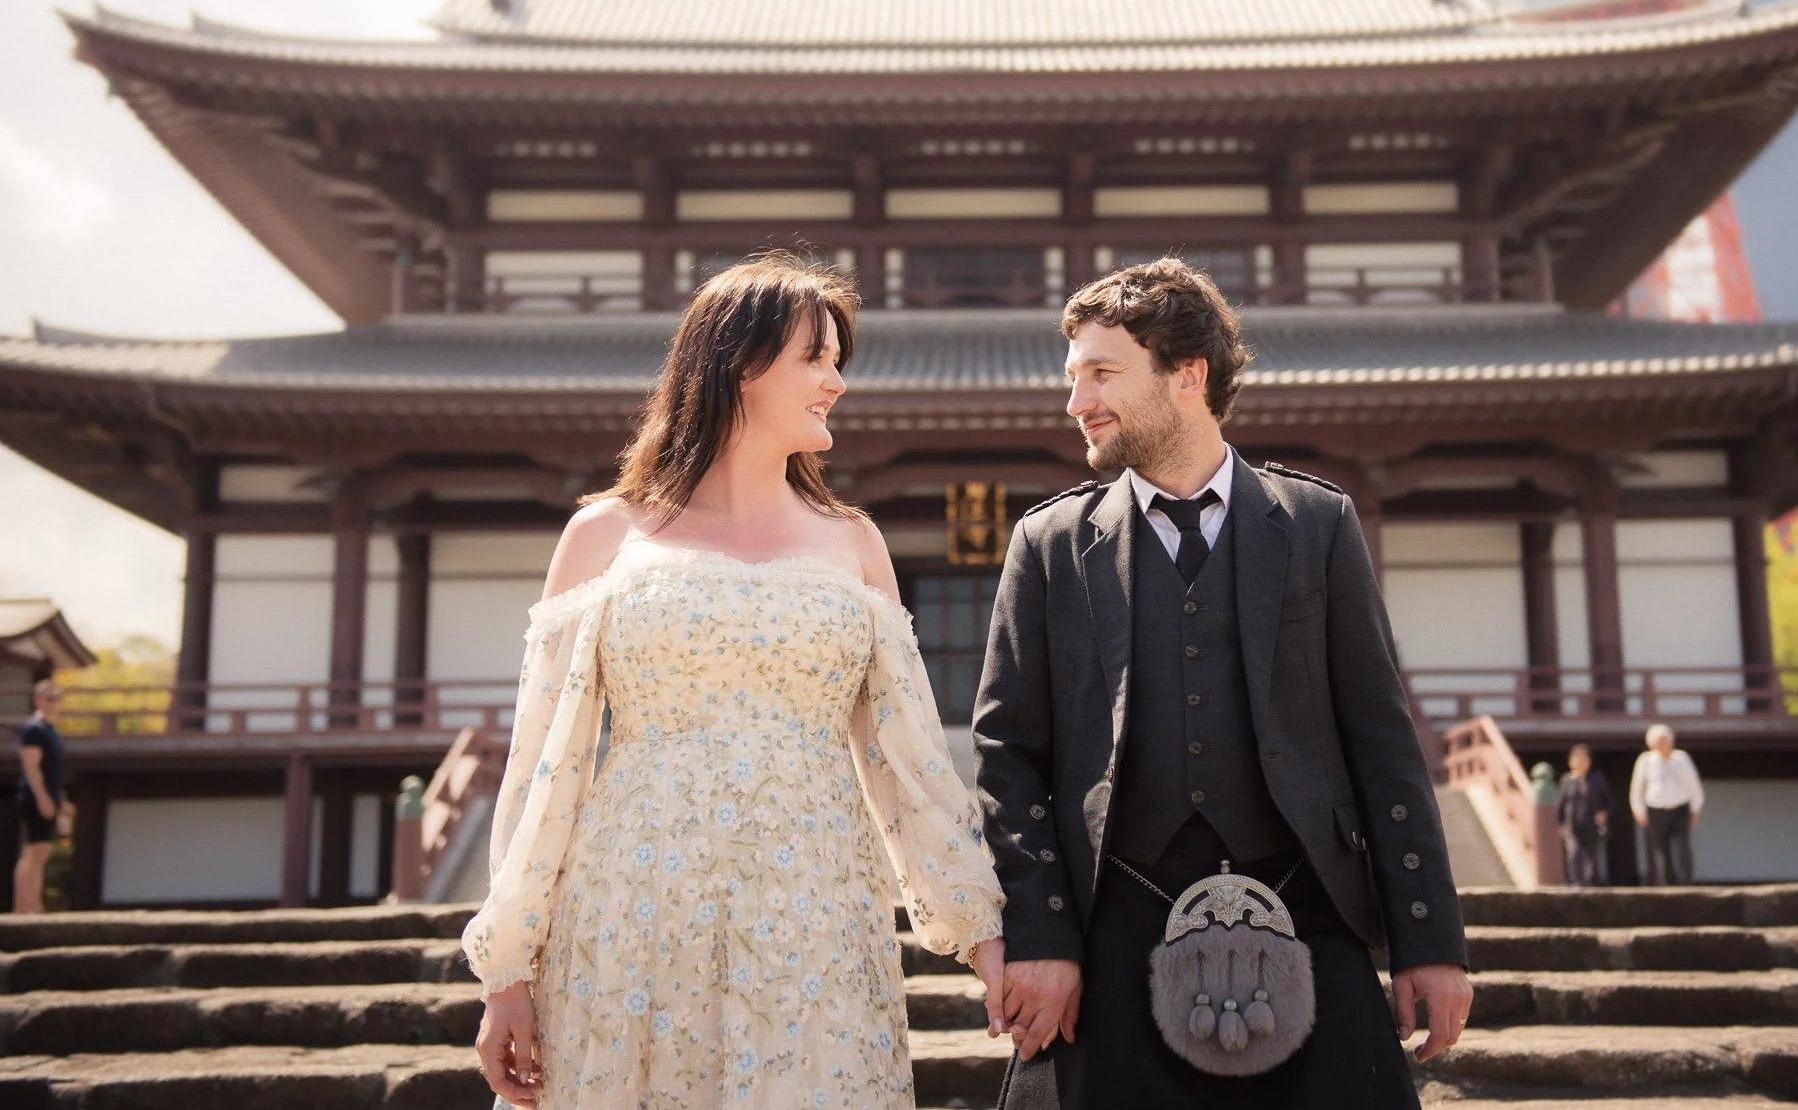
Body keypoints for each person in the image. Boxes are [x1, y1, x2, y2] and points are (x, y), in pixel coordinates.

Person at [462, 255, 1007, 1108]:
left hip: (816, 906)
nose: (835, 381)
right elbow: (545, 766)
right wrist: (506, 972)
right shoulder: (606, 534)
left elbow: (911, 766)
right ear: (741, 364)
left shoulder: (853, 542)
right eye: (815, 358)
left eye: (839, 361)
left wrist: (985, 934)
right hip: (631, 908)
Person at [974, 259, 1472, 1110]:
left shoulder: (1317, 523)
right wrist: (1042, 934)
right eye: (1073, 376)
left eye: (1102, 372)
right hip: (1110, 922)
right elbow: (1008, 755)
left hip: (1307, 908)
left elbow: (1381, 737)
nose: (1076, 401)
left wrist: (1429, 936)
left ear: (1187, 375)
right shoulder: (1050, 544)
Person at [13, 678, 72, 915]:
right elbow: (31, 766)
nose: (54, 703)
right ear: (37, 700)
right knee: (32, 851)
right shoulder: (33, 729)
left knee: (43, 851)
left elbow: (55, 771)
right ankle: (23, 906)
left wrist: (62, 800)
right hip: (35, 796)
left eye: (57, 698)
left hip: (51, 794)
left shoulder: (51, 730)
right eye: (49, 698)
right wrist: (42, 797)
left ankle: (34, 905)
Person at [1630, 724, 1703, 885]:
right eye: (1659, 742)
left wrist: (1695, 810)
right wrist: (1638, 809)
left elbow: (1693, 785)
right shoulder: (1645, 761)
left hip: (1680, 808)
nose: (1663, 745)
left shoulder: (1681, 758)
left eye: (1665, 741)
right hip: (1655, 810)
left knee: (1682, 846)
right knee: (1660, 849)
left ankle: (1686, 881)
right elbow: (1637, 788)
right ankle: (1667, 882)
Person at [1555, 744, 1612, 886]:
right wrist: (1560, 822)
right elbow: (1560, 803)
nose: (1580, 763)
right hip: (1572, 823)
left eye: (1583, 759)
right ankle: (1576, 881)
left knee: (1591, 855)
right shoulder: (1566, 780)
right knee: (1574, 853)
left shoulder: (1597, 779)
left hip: (1591, 823)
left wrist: (1604, 813)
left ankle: (1590, 882)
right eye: (1577, 759)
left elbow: (1608, 800)